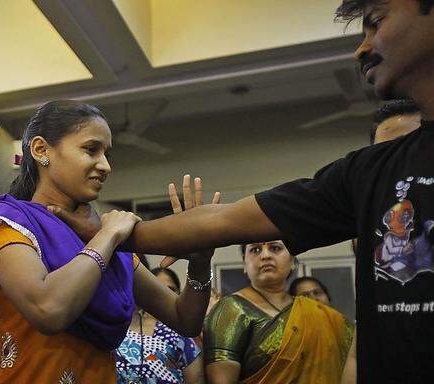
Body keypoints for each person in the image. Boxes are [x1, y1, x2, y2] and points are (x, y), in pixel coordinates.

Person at [50, 2, 434, 382]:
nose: (362, 48)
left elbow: (188, 310)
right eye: (89, 150)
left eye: (377, 22)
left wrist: (111, 234)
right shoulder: (370, 170)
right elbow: (224, 221)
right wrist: (107, 231)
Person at [0, 101, 218, 384]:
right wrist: (106, 236)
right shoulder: (9, 223)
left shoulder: (105, 239)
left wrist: (201, 262)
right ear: (42, 150)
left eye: (106, 153)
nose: (105, 165)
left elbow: (185, 318)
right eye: (91, 149)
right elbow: (48, 309)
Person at [204, 241, 353, 383]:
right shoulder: (232, 308)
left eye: (275, 248)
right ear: (244, 263)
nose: (265, 255)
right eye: (255, 249)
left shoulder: (318, 314)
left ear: (292, 260)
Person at [115, 265, 204, 384]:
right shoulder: (106, 330)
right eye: (157, 289)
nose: (163, 295)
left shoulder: (180, 334)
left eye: (170, 290)